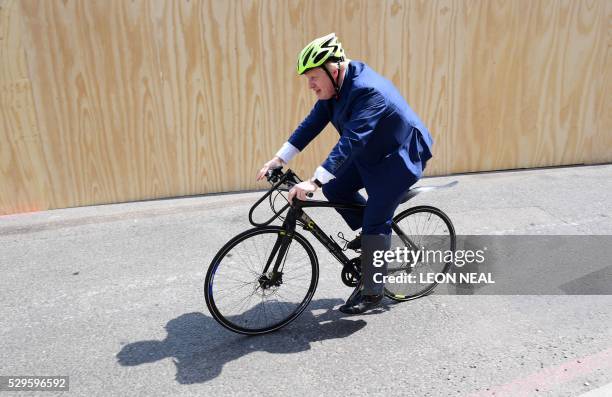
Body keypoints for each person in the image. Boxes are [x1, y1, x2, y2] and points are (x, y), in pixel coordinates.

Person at [256, 33, 433, 314]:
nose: (310, 85)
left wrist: (314, 180)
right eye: (307, 78)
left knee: (376, 219)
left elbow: (351, 140)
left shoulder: (367, 90)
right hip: (371, 151)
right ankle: (374, 241)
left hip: (398, 156)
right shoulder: (335, 89)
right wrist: (279, 158)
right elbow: (311, 124)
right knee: (336, 189)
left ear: (333, 70)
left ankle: (373, 291)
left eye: (313, 77)